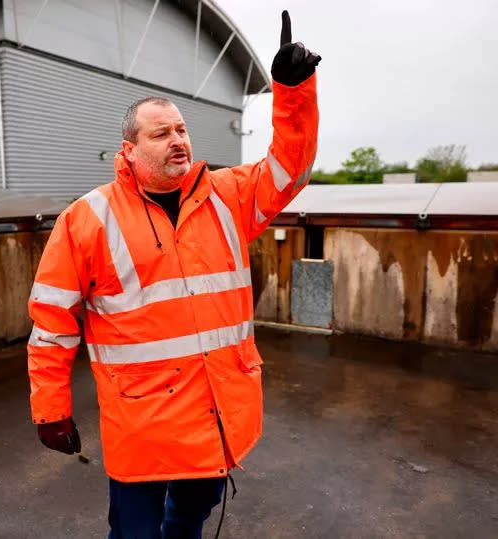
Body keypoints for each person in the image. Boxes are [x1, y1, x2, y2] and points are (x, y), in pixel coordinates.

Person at [27, 10, 320, 539]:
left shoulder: (227, 196)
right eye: (161, 133)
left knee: (192, 516)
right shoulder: (87, 220)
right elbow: (51, 321)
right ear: (130, 149)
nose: (178, 140)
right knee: (135, 532)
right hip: (141, 426)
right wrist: (50, 409)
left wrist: (292, 91)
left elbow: (289, 166)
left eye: (182, 129)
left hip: (213, 415)